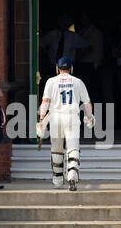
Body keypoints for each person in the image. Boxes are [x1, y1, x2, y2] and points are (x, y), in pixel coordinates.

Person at [37, 56, 95, 192]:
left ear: (57, 68)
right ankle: (72, 175)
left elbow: (45, 101)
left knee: (56, 148)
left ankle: (57, 179)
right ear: (71, 68)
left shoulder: (51, 81)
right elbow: (87, 102)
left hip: (55, 116)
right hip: (71, 116)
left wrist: (41, 120)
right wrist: (90, 117)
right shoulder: (77, 81)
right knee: (73, 147)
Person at [74, 12, 104, 102]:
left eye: (84, 18)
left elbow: (97, 51)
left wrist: (96, 66)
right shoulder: (81, 32)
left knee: (93, 92)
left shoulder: (96, 33)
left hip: (92, 66)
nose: (82, 21)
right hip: (83, 66)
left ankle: (95, 114)